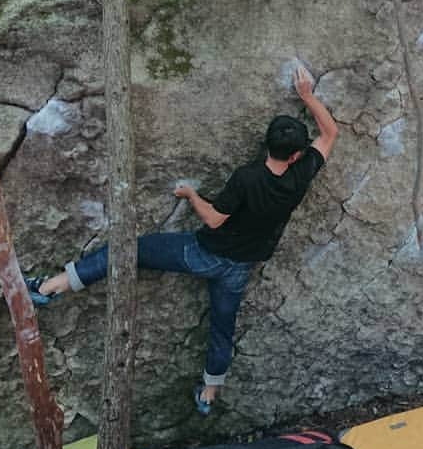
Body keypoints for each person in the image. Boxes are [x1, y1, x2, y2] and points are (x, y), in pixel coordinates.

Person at [24, 65, 338, 415]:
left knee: (134, 249)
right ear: (296, 154)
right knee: (222, 330)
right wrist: (308, 96)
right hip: (239, 268)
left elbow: (214, 219)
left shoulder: (247, 178)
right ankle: (208, 395)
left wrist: (190, 194)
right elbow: (329, 133)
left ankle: (51, 287)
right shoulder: (301, 174)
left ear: (266, 143)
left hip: (203, 253)